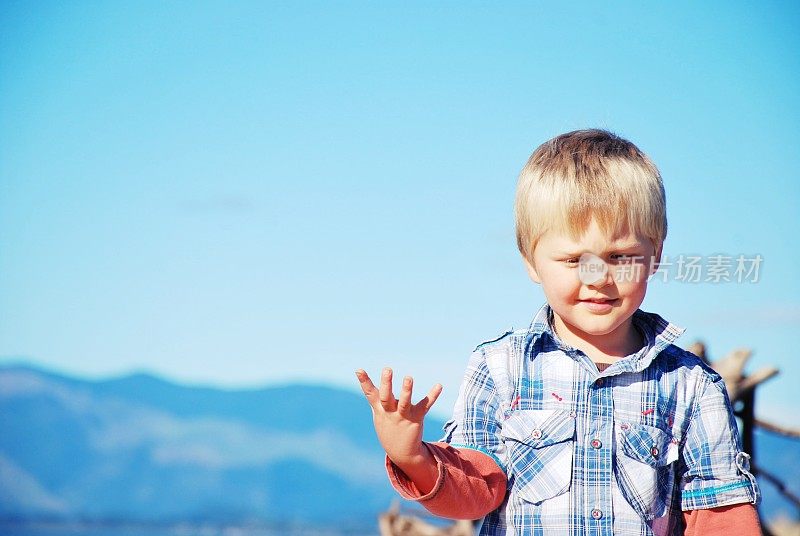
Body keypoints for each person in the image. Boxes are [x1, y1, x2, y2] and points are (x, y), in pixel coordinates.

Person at [355, 129, 762, 536]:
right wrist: (412, 458)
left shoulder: (692, 384)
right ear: (531, 261)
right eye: (572, 259)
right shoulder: (500, 367)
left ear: (654, 256)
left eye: (620, 257)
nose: (598, 277)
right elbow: (477, 490)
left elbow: (720, 515)